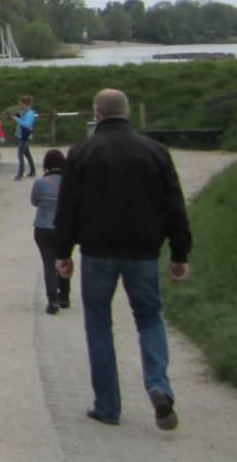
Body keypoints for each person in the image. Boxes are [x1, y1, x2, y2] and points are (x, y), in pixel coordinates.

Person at [54, 88, 190, 430]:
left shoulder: (82, 153)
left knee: (99, 323)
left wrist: (62, 253)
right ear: (127, 113)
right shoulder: (156, 152)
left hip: (98, 252)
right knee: (149, 319)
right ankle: (158, 384)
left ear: (97, 114)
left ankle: (108, 406)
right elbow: (175, 205)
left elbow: (67, 207)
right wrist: (179, 253)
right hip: (143, 252)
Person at [30, 149, 70, 314]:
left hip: (43, 228)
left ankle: (52, 300)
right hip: (64, 228)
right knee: (64, 259)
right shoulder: (70, 182)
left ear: (46, 165)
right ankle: (65, 297)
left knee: (48, 263)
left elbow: (34, 201)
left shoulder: (40, 183)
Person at [13, 95, 38, 180]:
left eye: (20, 104)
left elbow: (27, 124)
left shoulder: (30, 113)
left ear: (24, 104)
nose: (19, 105)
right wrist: (17, 115)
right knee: (27, 154)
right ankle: (32, 171)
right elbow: (19, 117)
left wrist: (17, 119)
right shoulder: (23, 111)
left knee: (20, 155)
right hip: (21, 135)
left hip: (25, 135)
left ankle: (20, 174)